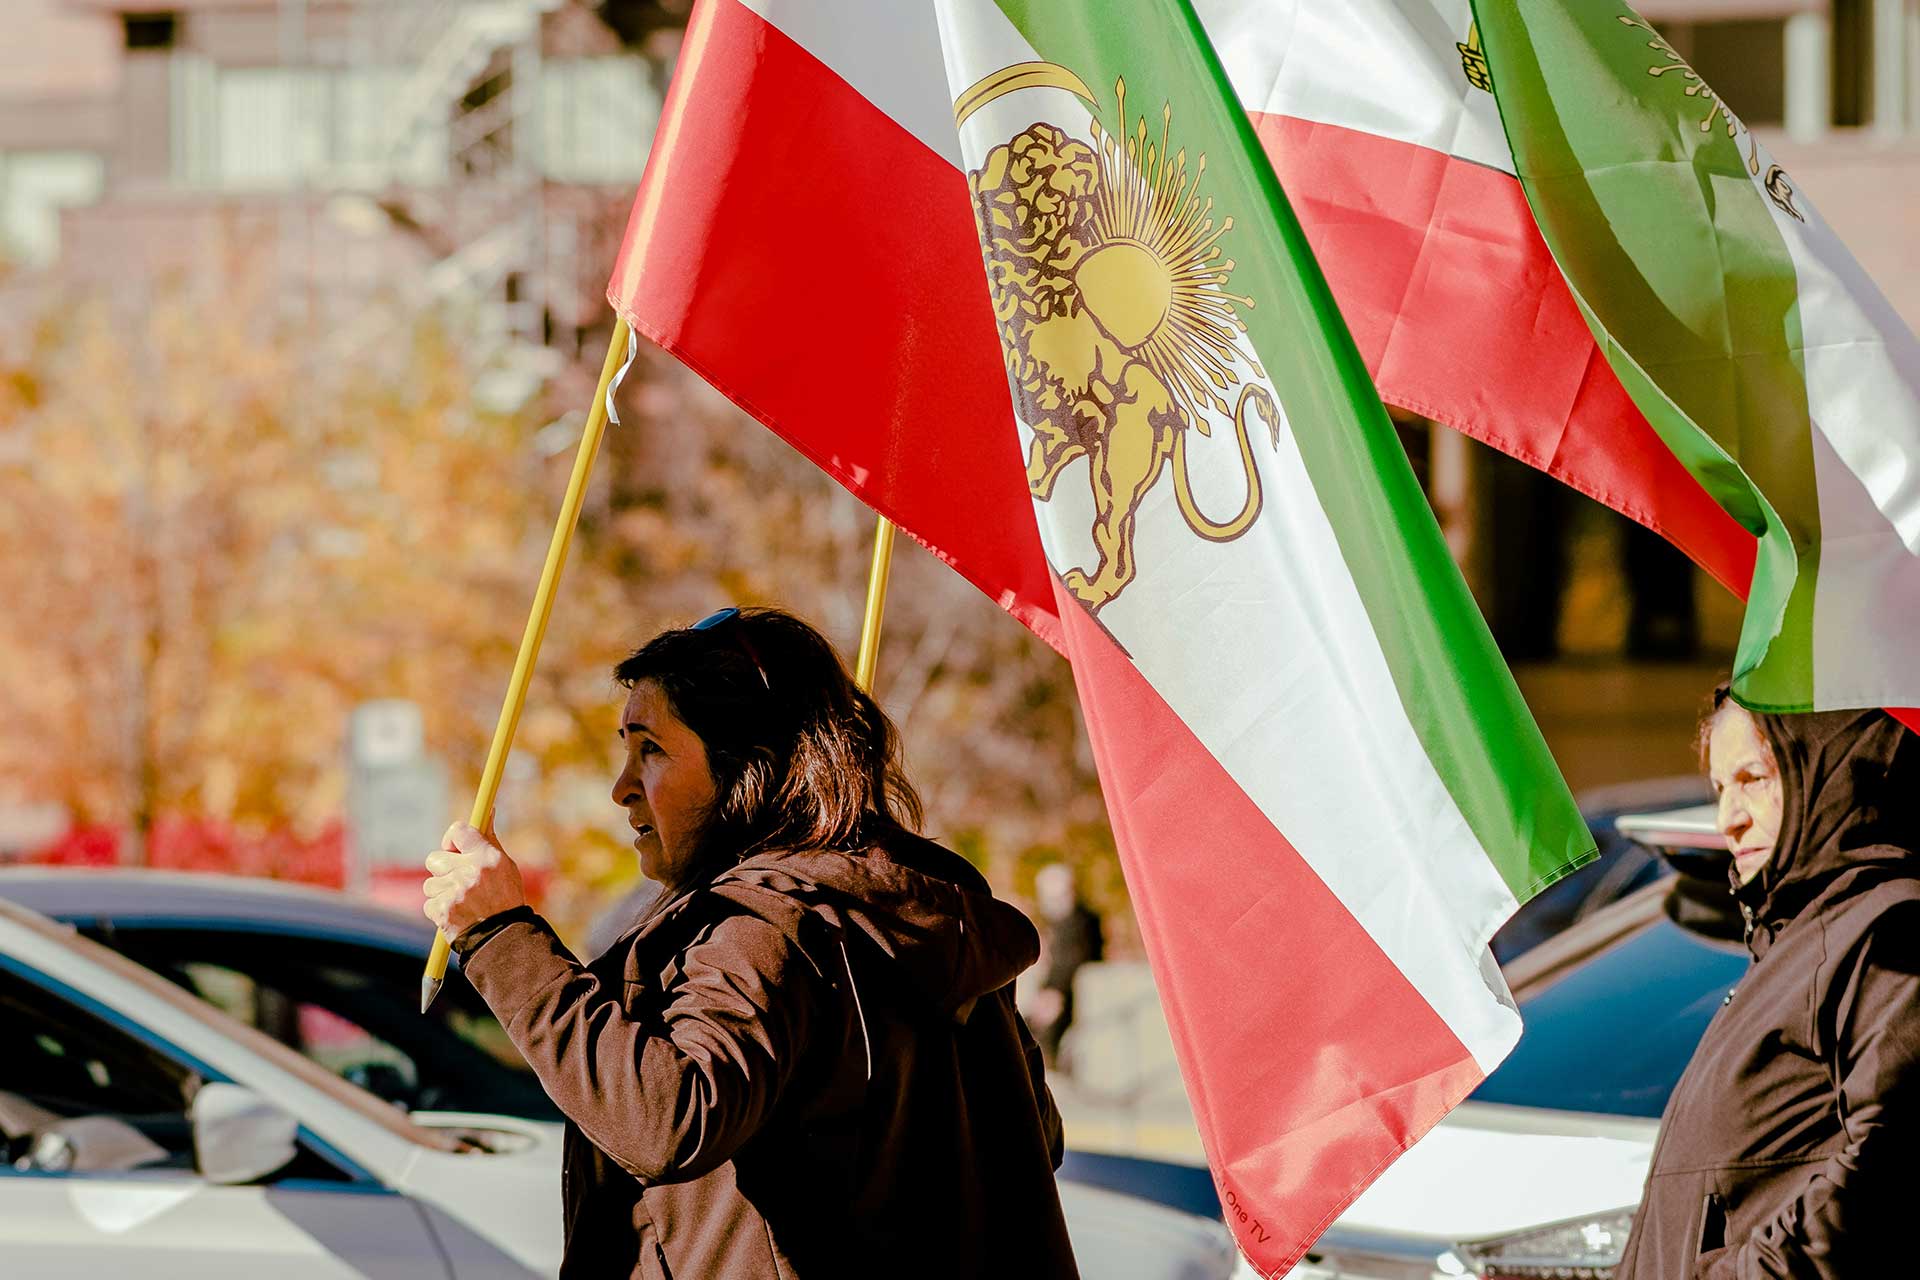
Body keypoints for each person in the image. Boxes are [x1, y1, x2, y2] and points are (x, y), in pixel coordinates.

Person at [421, 607, 1077, 1278]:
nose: (622, 788)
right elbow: (1036, 1135)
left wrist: (500, 934)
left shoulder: (764, 924)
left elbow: (669, 1119)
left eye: (651, 749)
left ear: (747, 768)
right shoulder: (925, 904)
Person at [1614, 687, 1920, 1279]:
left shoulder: (1886, 928)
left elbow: (1889, 1164)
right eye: (1719, 789)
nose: (1729, 819)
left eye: (1754, 777)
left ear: (1826, 775)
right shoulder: (1789, 943)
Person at [1027, 862, 1104, 1070]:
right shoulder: (1065, 921)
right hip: (1061, 990)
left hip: (1069, 994)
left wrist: (1054, 992)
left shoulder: (1078, 923)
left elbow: (1071, 961)